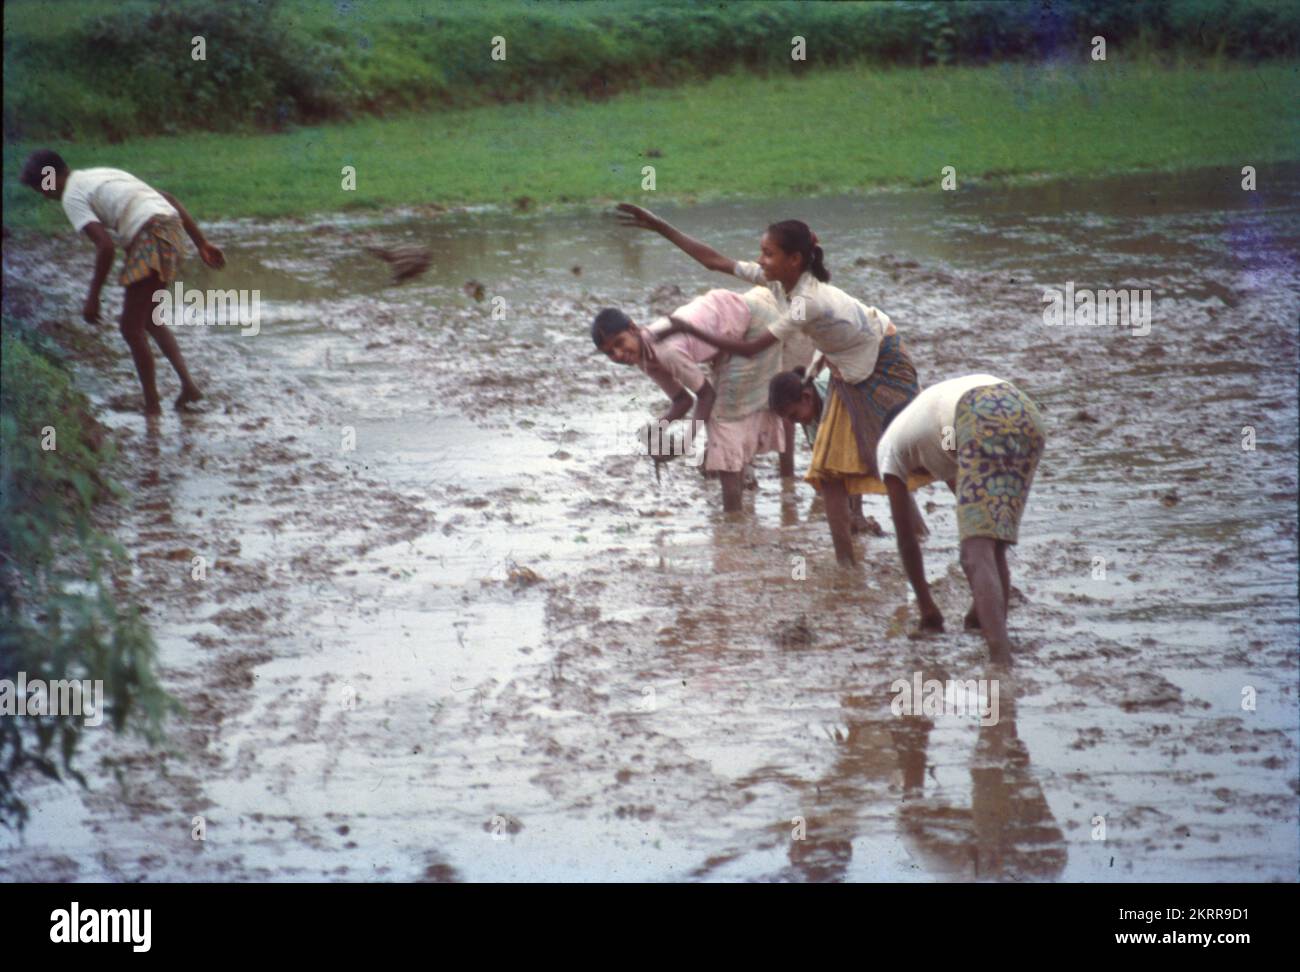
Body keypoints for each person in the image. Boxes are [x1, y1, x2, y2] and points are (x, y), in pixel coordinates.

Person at [617, 203, 924, 564]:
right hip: (846, 362)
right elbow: (714, 261)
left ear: (794, 259)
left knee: (887, 451)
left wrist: (688, 328)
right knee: (832, 469)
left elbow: (751, 347)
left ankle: (914, 533)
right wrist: (660, 227)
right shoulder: (776, 281)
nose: (760, 260)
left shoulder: (805, 302)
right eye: (761, 253)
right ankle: (847, 565)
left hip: (879, 357)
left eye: (768, 253)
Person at [19, 149, 226, 415]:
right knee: (150, 319)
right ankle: (189, 388)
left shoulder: (72, 196)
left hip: (150, 234)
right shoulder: (99, 174)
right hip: (171, 230)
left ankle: (153, 406)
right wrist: (201, 242)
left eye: (42, 188)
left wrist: (93, 297)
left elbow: (105, 247)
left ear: (50, 177)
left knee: (129, 327)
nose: (45, 196)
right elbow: (167, 199)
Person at [875, 374, 1047, 666]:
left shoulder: (889, 446)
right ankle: (989, 627)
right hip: (1024, 410)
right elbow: (981, 518)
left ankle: (1001, 663)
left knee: (974, 554)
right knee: (992, 543)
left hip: (977, 412)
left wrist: (928, 609)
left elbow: (907, 540)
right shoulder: (932, 426)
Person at [592, 287, 786, 511]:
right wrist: (657, 429)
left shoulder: (665, 350)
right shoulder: (643, 357)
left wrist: (686, 441)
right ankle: (747, 486)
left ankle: (733, 521)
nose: (617, 354)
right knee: (729, 417)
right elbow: (682, 401)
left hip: (755, 323)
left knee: (722, 420)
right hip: (733, 318)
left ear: (634, 328)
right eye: (609, 353)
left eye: (619, 343)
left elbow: (706, 395)